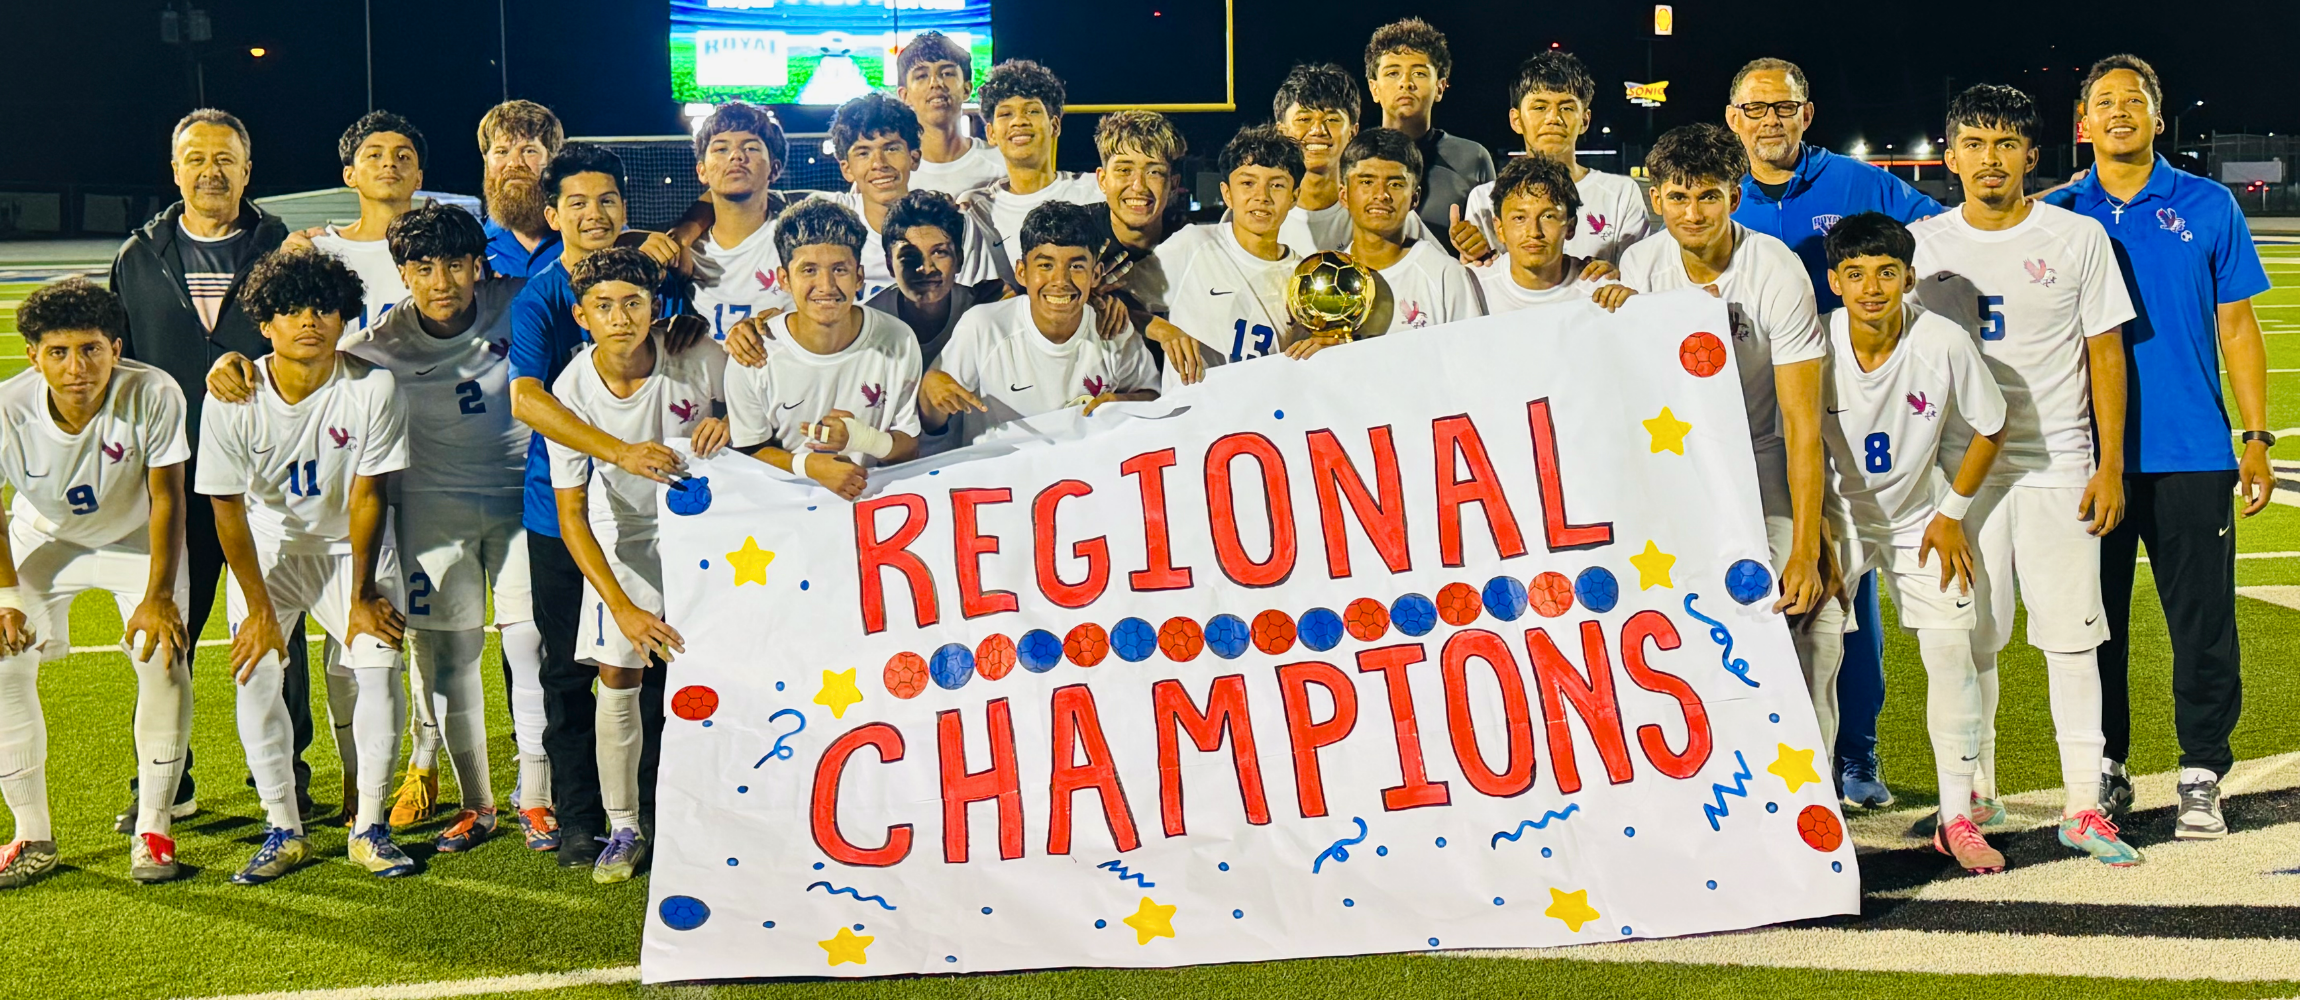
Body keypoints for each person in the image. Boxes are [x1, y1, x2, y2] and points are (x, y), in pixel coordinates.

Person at [209, 204, 551, 851]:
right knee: (450, 665)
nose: (442, 281)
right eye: (424, 267)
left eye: (456, 264)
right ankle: (478, 806)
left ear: (480, 265)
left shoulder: (520, 299)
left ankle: (535, 798)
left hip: (518, 509)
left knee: (529, 650)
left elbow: (586, 297)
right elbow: (301, 355)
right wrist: (230, 365)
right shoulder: (377, 348)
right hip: (431, 516)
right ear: (403, 273)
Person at [1911, 84, 2140, 866]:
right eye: (1973, 143)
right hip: (1960, 476)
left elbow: (2103, 354)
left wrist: (2110, 465)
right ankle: (1976, 788)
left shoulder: (2077, 239)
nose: (1989, 158)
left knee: (2072, 641)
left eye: (2006, 143)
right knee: (1974, 636)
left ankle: (2083, 805)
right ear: (1950, 156)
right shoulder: (1922, 245)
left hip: (2058, 465)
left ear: (2032, 156)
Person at [2049, 55, 2274, 839]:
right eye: (2103, 101)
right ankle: (2106, 767)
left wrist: (2254, 435)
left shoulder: (2209, 205)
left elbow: (2237, 327)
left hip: (2191, 451)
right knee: (2093, 621)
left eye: (2133, 100)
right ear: (2083, 121)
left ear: (2156, 115)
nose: (2118, 112)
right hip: (2087, 455)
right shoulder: (2059, 214)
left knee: (2202, 619)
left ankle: (2202, 768)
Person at [1724, 56, 1948, 810]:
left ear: (1807, 113)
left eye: (1783, 108)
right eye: (1755, 110)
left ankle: (1857, 755)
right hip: (1744, 423)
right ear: (1733, 119)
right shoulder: (1720, 191)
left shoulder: (1859, 186)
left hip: (1848, 414)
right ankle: (1765, 751)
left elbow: (1940, 247)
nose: (1769, 122)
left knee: (1848, 592)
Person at [108, 108, 311, 830]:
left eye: (225, 158)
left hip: (262, 480)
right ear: (175, 170)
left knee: (274, 630)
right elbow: (117, 364)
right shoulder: (138, 254)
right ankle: (166, 782)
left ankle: (289, 777)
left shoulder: (283, 248)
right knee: (169, 632)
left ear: (247, 170)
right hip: (169, 480)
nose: (210, 171)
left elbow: (312, 345)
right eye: (196, 159)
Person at [1600, 124, 1838, 738]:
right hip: (1684, 466)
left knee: (1793, 620)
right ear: (1655, 200)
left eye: (1708, 196)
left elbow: (1802, 422)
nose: (1692, 211)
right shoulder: (1640, 264)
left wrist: (1809, 547)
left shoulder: (1774, 269)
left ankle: (1816, 794)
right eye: (1677, 197)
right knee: (1687, 627)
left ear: (1735, 197)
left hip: (1763, 457)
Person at [196, 248, 413, 884]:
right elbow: (228, 509)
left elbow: (369, 494)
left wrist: (363, 593)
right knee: (257, 671)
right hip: (269, 551)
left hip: (353, 549)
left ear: (345, 316)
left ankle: (369, 826)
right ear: (265, 323)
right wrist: (261, 611)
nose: (308, 321)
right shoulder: (233, 395)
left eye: (323, 308)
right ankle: (282, 827)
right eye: (290, 310)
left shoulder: (373, 387)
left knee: (376, 668)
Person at [507, 143, 692, 869]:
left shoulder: (654, 283)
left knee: (660, 671)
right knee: (568, 673)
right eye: (577, 202)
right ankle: (582, 818)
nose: (594, 214)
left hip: (663, 519)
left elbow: (694, 364)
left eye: (607, 200)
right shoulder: (542, 295)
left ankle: (655, 811)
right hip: (565, 512)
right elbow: (528, 398)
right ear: (552, 215)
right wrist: (616, 449)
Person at [1814, 214, 2010, 873]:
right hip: (1838, 517)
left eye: (1887, 273)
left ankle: (1958, 814)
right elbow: (1795, 437)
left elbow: (1992, 424)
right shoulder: (1813, 340)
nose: (1872, 287)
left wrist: (1953, 511)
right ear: (1835, 280)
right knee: (1812, 655)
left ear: (1910, 278)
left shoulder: (1943, 341)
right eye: (1857, 273)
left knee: (1951, 650)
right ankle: (1813, 811)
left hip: (1918, 520)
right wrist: (1813, 529)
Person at [0, 280, 194, 889]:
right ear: (33, 355)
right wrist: (6, 600)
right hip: (43, 537)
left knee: (163, 659)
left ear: (115, 346)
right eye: (57, 352)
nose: (76, 367)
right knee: (3, 662)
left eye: (90, 349)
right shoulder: (7, 406)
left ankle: (155, 829)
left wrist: (159, 597)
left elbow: (167, 498)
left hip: (134, 539)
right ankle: (31, 834)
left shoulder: (155, 391)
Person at [546, 247, 729, 884]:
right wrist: (620, 608)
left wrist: (728, 422)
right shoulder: (571, 390)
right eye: (604, 306)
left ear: (655, 308)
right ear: (581, 316)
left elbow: (755, 413)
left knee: (722, 671)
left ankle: (726, 808)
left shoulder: (699, 358)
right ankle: (623, 826)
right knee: (618, 678)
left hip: (710, 540)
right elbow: (571, 515)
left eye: (632, 302)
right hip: (623, 545)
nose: (620, 317)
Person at [725, 199, 923, 501]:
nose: (826, 285)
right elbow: (748, 452)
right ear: (784, 279)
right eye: (809, 270)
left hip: (874, 509)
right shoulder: (753, 354)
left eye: (839, 269)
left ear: (859, 277)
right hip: (788, 514)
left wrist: (862, 439)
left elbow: (909, 447)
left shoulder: (898, 338)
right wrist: (808, 466)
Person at [920, 202, 1160, 447]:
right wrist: (929, 392)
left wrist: (1121, 403)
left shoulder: (1113, 328)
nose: (1060, 281)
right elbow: (932, 421)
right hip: (1002, 478)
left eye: (1076, 266)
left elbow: (1153, 399)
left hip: (1086, 476)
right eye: (1046, 265)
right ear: (1021, 272)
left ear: (1095, 274)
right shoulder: (984, 326)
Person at [1455, 50, 1651, 266]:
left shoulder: (1620, 194)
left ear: (1585, 120)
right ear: (1516, 119)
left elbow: (1637, 276)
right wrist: (1474, 258)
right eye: (1540, 107)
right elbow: (1482, 278)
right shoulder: (1485, 199)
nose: (1553, 118)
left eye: (1566, 108)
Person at [814, 92, 996, 302]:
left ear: (914, 158)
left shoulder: (955, 223)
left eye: (891, 148)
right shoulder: (829, 231)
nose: (879, 163)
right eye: (863, 153)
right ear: (846, 169)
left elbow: (982, 305)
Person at [1332, 128, 1484, 338]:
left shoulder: (1445, 275)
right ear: (1344, 195)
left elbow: (1470, 356)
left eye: (1395, 184)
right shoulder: (1327, 280)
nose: (1381, 195)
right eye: (1367, 182)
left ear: (1415, 197)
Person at [963, 60, 1105, 281]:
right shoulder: (975, 209)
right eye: (1006, 114)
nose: (1019, 121)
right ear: (991, 133)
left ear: (1054, 125)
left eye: (1032, 111)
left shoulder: (1095, 191)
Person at [1363, 18, 1491, 255]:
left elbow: (1499, 242)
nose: (1406, 83)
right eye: (1392, 73)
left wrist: (1482, 245)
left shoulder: (1473, 158)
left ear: (1440, 87)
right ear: (1374, 88)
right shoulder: (1353, 158)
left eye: (1419, 73)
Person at [307, 111, 427, 329]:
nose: (390, 163)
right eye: (374, 155)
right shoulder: (318, 252)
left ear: (419, 178)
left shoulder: (441, 252)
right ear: (349, 175)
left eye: (403, 157)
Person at [686, 102, 792, 344]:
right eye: (721, 149)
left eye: (752, 148)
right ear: (702, 171)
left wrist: (795, 323)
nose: (736, 156)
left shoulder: (802, 239)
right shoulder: (685, 252)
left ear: (774, 169)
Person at [1476, 155, 1608, 313]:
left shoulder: (1602, 292)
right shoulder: (1472, 287)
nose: (1534, 232)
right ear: (1499, 228)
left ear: (1570, 226)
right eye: (1519, 218)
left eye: (1548, 217)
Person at [893, 30, 1006, 196]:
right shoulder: (890, 174)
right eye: (922, 76)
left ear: (967, 89)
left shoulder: (1002, 164)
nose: (935, 83)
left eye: (947, 73)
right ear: (904, 95)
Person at [478, 100, 566, 280]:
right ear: (486, 161)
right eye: (502, 152)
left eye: (529, 151)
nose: (514, 163)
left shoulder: (582, 235)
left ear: (553, 158)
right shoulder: (474, 246)